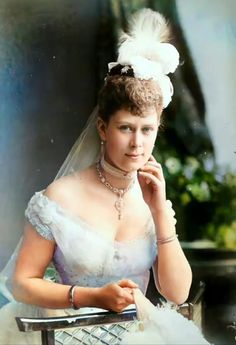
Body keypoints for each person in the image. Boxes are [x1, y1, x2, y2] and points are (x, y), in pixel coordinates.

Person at [0, 8, 194, 344]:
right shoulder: (59, 197)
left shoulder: (153, 196)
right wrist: (92, 297)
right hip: (67, 335)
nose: (137, 143)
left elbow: (177, 294)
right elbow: (21, 282)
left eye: (147, 130)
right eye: (125, 128)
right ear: (103, 128)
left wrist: (161, 214)